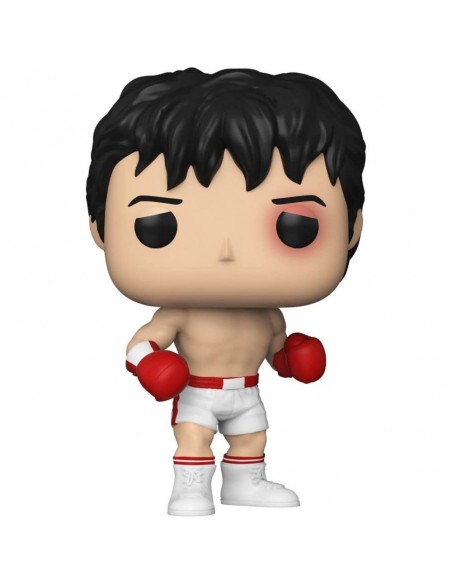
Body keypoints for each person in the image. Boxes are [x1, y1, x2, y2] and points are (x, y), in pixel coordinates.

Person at [86, 68, 365, 516]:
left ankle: (244, 484)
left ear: (351, 229)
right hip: (197, 390)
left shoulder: (269, 316)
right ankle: (191, 489)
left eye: (295, 227)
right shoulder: (179, 313)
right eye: (158, 226)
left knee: (252, 437)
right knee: (193, 437)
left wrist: (292, 358)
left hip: (246, 389)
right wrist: (152, 365)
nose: (226, 252)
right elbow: (139, 346)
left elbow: (275, 351)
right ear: (102, 229)